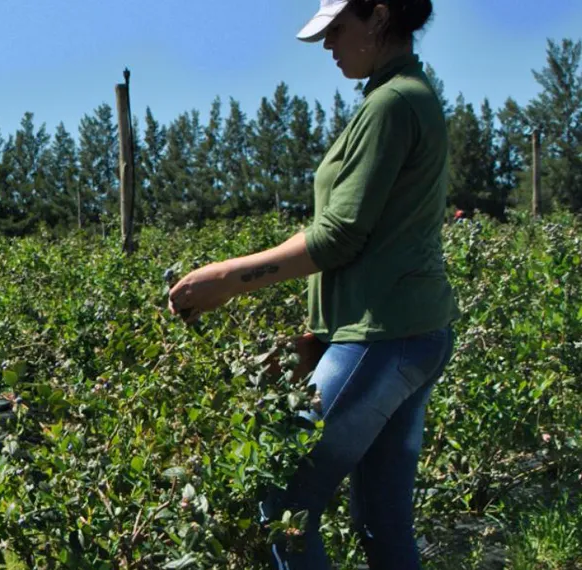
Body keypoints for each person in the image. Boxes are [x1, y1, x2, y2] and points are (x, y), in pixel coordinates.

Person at [168, 1, 458, 568]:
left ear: (378, 17)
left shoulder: (392, 104)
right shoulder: (402, 95)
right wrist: (324, 335)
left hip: (380, 337)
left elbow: (339, 236)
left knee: (282, 503)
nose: (328, 45)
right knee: (381, 519)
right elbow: (372, 235)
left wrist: (226, 278)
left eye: (337, 30)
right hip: (407, 333)